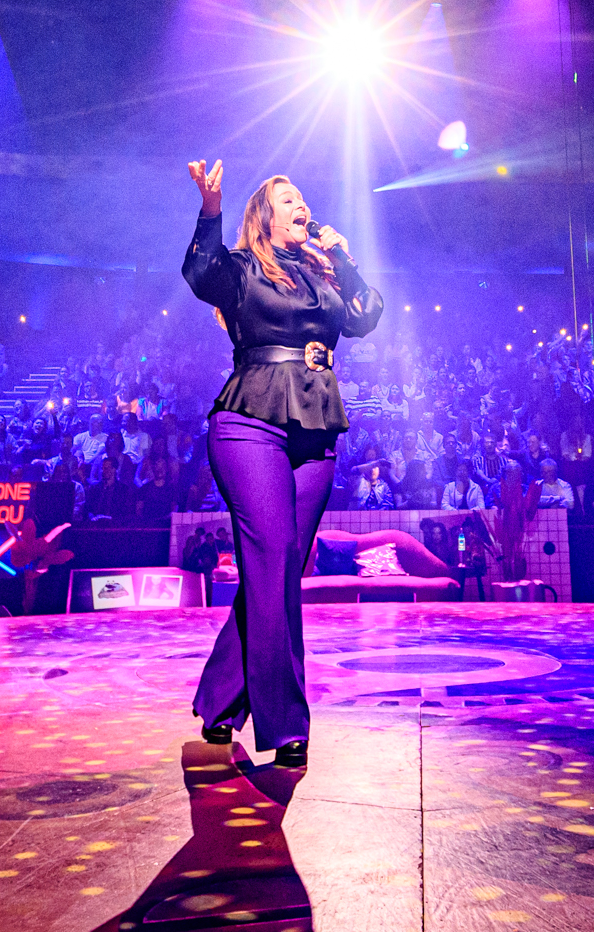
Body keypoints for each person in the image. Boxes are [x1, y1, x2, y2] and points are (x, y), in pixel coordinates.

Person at [181, 160, 385, 768]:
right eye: (288, 199)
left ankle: (220, 702)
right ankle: (286, 722)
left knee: (278, 570)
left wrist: (342, 259)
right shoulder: (243, 268)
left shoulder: (321, 275)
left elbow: (366, 314)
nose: (302, 206)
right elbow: (200, 272)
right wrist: (210, 209)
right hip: (250, 421)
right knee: (271, 556)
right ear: (264, 217)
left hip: (314, 428)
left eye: (303, 198)